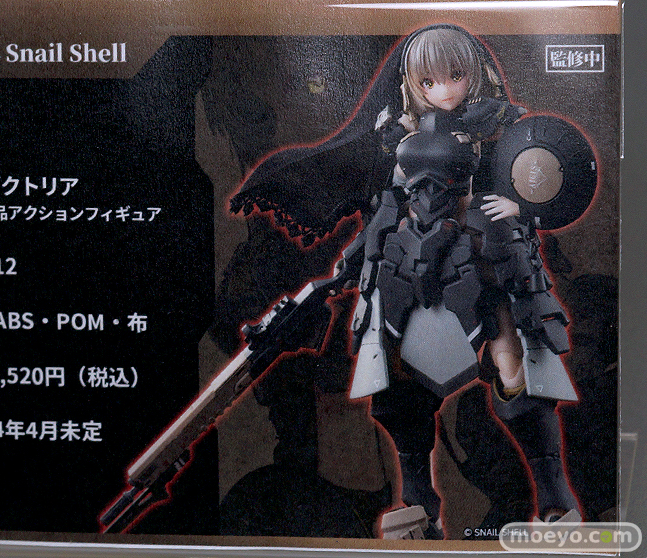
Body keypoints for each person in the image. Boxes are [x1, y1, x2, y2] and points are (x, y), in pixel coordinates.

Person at [231, 24, 591, 538]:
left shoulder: (500, 127)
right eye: (429, 81)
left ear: (475, 74)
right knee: (398, 378)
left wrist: (520, 206)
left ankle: (554, 498)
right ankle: (419, 501)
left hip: (483, 255)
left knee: (516, 364)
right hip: (412, 258)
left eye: (454, 75)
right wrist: (353, 262)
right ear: (412, 84)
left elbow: (540, 176)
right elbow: (387, 206)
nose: (443, 89)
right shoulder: (397, 132)